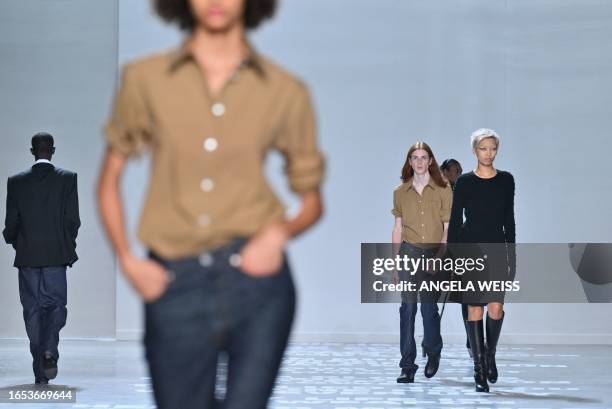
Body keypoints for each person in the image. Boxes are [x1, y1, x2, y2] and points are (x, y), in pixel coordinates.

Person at [96, 0, 325, 407]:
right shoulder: (145, 78)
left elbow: (311, 201)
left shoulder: (283, 89)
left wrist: (278, 234)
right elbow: (109, 181)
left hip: (259, 286)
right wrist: (128, 260)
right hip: (174, 282)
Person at [3, 132, 80, 385]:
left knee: (32, 311)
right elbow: (72, 221)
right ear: (53, 150)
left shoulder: (15, 182)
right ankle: (49, 353)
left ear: (32, 151)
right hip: (56, 257)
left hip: (27, 258)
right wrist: (66, 246)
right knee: (56, 307)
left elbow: (11, 224)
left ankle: (40, 370)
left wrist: (18, 243)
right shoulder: (68, 179)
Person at [447, 128, 515, 392]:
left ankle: (489, 355)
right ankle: (478, 369)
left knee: (496, 307)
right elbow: (455, 221)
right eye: (483, 148)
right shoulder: (464, 182)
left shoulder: (506, 180)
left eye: (493, 148)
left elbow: (509, 219)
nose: (489, 153)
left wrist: (512, 255)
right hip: (470, 249)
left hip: (497, 248)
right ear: (474, 150)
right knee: (475, 309)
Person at [391, 142, 452, 383]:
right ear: (409, 161)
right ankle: (407, 365)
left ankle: (433, 351)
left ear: (430, 161)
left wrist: (439, 258)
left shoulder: (443, 189)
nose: (418, 162)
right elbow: (397, 228)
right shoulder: (400, 192)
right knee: (407, 310)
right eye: (414, 157)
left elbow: (449, 229)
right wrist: (395, 263)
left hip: (434, 253)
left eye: (423, 157)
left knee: (428, 309)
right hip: (408, 253)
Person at [440, 158, 472, 357]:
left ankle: (472, 341)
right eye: (455, 171)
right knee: (432, 297)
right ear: (445, 173)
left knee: (466, 296)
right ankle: (430, 340)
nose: (459, 174)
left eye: (460, 170)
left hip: (461, 247)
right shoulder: (436, 193)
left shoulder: (465, 191)